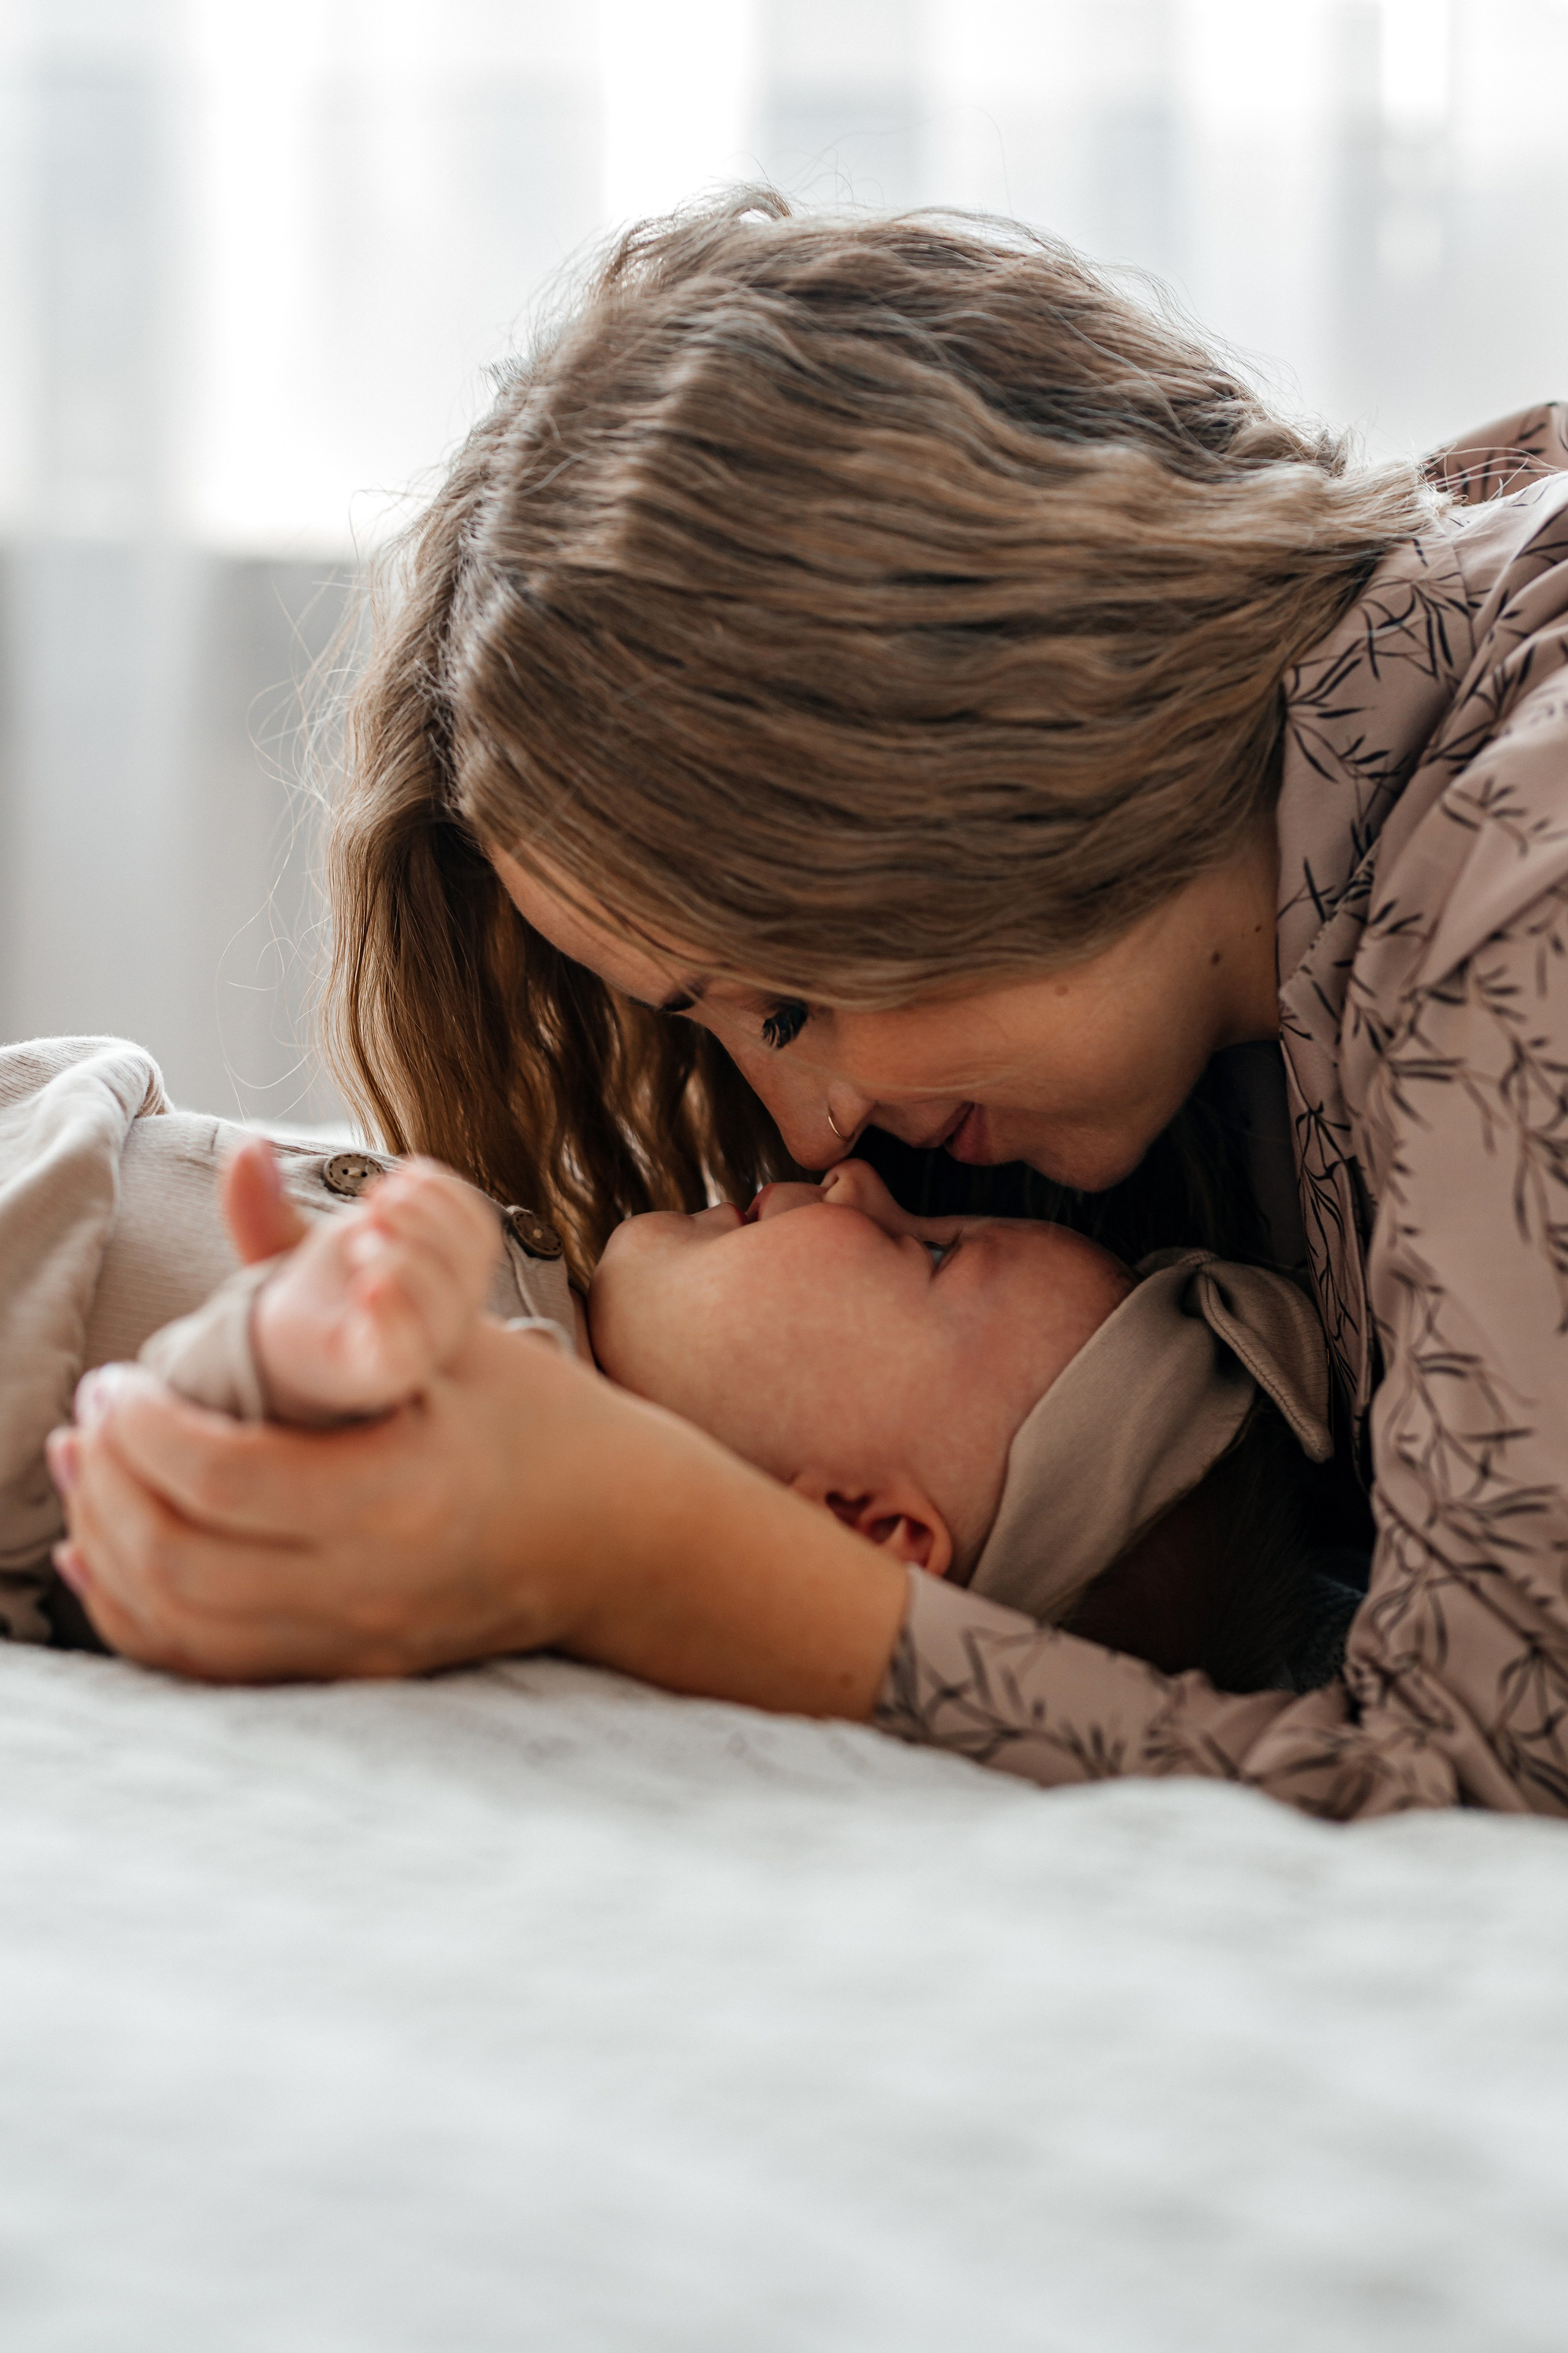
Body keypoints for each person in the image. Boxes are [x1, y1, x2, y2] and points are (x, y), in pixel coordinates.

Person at [47, 194, 1568, 1821]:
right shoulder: (1313, 915)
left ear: (978, 758)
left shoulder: (1515, 880)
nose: (820, 1135)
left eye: (785, 1006)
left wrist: (649, 1550)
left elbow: (1486, 1784)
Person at [0, 1033, 1342, 1692]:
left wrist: (296, 1341)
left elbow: (195, 1488)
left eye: (929, 1253)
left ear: (864, 1524)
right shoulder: (540, 1309)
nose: (859, 1181)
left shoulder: (486, 1463)